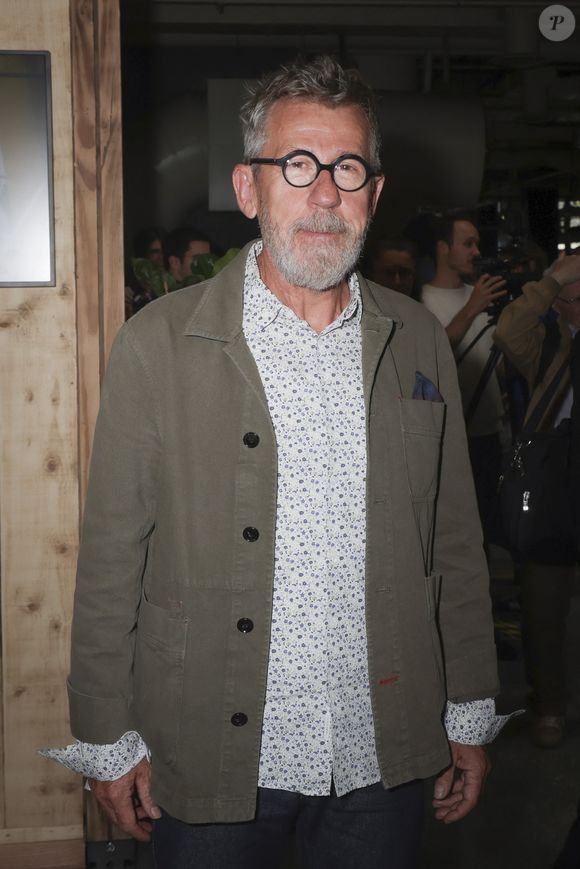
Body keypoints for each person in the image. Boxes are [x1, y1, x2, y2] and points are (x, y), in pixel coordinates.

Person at [50, 56, 507, 869]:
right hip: (210, 755)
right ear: (249, 187)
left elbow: (455, 542)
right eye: (297, 165)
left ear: (374, 191)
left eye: (347, 168)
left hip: (383, 752)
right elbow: (113, 555)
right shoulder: (158, 342)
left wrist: (468, 708)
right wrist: (105, 736)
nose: (325, 193)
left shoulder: (417, 340)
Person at [494, 252, 580, 749]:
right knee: (543, 607)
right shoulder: (550, 346)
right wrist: (551, 280)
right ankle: (548, 705)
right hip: (551, 490)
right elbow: (508, 332)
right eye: (571, 297)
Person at [420, 213, 508, 550]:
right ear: (443, 249)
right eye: (467, 243)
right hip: (454, 435)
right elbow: (433, 355)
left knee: (490, 522)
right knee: (460, 533)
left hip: (489, 431)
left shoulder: (481, 296)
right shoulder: (424, 300)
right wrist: (471, 309)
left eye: (477, 244)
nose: (475, 252)